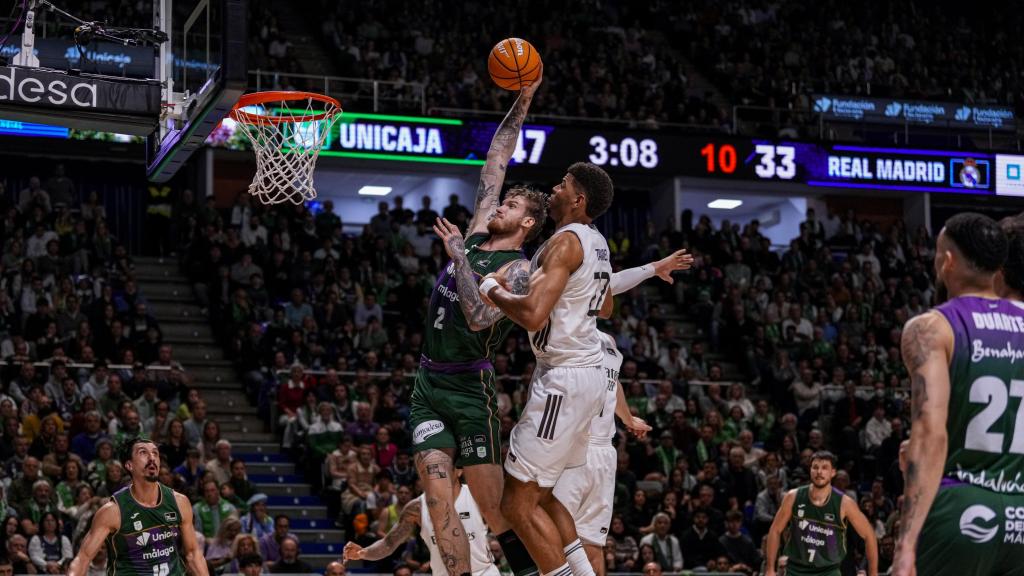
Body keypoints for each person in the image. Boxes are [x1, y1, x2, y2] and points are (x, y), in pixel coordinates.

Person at [408, 70, 546, 576]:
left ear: (526, 223)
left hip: (470, 387)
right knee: (438, 495)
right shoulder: (477, 231)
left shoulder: (520, 269)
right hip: (428, 382)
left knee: (494, 509)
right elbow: (498, 156)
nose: (499, 204)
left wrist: (459, 260)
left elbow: (481, 315)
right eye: (502, 200)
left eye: (509, 205)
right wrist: (524, 100)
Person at [475, 156, 616, 576]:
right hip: (586, 377)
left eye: (562, 183)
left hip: (565, 380)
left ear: (577, 199)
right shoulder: (595, 242)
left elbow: (534, 315)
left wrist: (489, 287)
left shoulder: (564, 242)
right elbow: (604, 305)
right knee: (547, 492)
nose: (554, 188)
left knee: (516, 502)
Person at [893, 213, 1023, 576]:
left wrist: (905, 545)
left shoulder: (932, 328)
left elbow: (930, 433)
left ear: (946, 261)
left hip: (960, 508)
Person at [552, 332, 654, 576]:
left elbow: (613, 381)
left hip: (603, 450)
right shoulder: (567, 325)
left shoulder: (608, 340)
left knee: (592, 542)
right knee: (553, 535)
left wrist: (627, 418)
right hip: (573, 442)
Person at [66, 438, 209, 576]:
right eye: (143, 453)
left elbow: (193, 555)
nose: (152, 458)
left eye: (155, 453)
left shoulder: (179, 502)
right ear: (129, 465)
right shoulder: (113, 511)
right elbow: (83, 559)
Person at [343, 477, 499, 576]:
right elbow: (388, 543)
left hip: (483, 572)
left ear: (458, 470)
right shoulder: (417, 507)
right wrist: (364, 552)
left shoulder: (477, 495)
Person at [764, 450, 877, 576]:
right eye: (815, 467)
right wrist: (770, 569)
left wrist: (873, 573)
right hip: (795, 570)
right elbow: (775, 530)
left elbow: (869, 535)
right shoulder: (793, 497)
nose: (819, 472)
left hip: (828, 571)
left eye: (824, 468)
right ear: (810, 470)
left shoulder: (845, 503)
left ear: (833, 472)